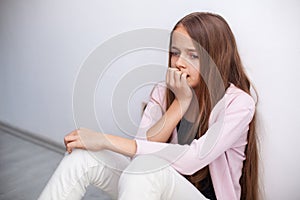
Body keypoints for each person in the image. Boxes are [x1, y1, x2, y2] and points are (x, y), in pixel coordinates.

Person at [39, 12, 259, 200]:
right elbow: (141, 150)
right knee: (83, 157)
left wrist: (105, 140)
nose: (179, 62)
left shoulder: (239, 104)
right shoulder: (164, 91)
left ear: (215, 58)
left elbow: (194, 159)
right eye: (175, 52)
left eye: (193, 55)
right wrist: (180, 103)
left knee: (146, 168)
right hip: (152, 187)